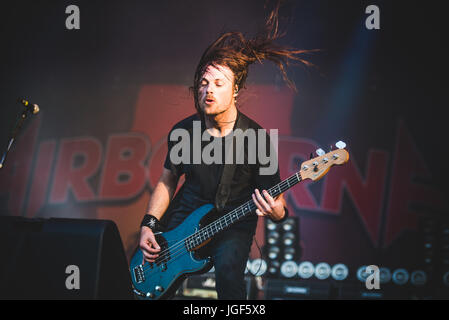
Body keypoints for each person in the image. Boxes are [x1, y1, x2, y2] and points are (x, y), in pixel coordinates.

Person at [138, 3, 312, 300]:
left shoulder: (256, 139)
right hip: (184, 218)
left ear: (235, 89)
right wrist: (149, 225)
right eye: (204, 83)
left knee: (230, 284)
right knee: (154, 289)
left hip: (233, 224)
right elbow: (167, 181)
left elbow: (279, 204)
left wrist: (276, 212)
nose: (209, 90)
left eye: (219, 83)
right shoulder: (184, 131)